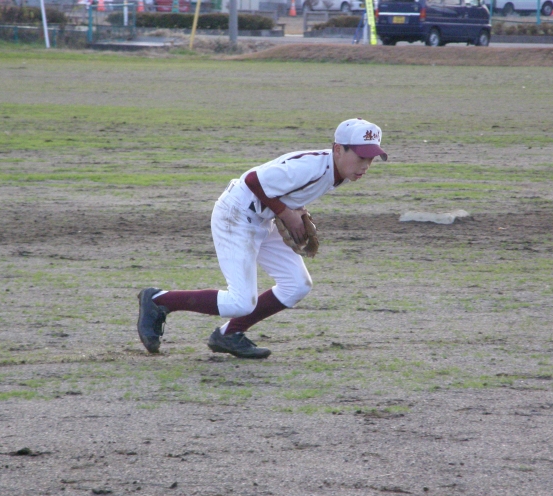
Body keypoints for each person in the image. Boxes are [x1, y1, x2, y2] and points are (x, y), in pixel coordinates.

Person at [136, 118, 387, 359]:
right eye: (361, 156)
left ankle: (229, 334)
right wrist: (285, 213)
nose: (366, 164)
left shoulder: (339, 171)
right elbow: (252, 180)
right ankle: (159, 300)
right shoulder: (311, 167)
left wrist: (296, 210)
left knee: (297, 285)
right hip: (236, 214)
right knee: (240, 302)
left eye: (371, 158)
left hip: (262, 217)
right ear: (338, 149)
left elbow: (285, 191)